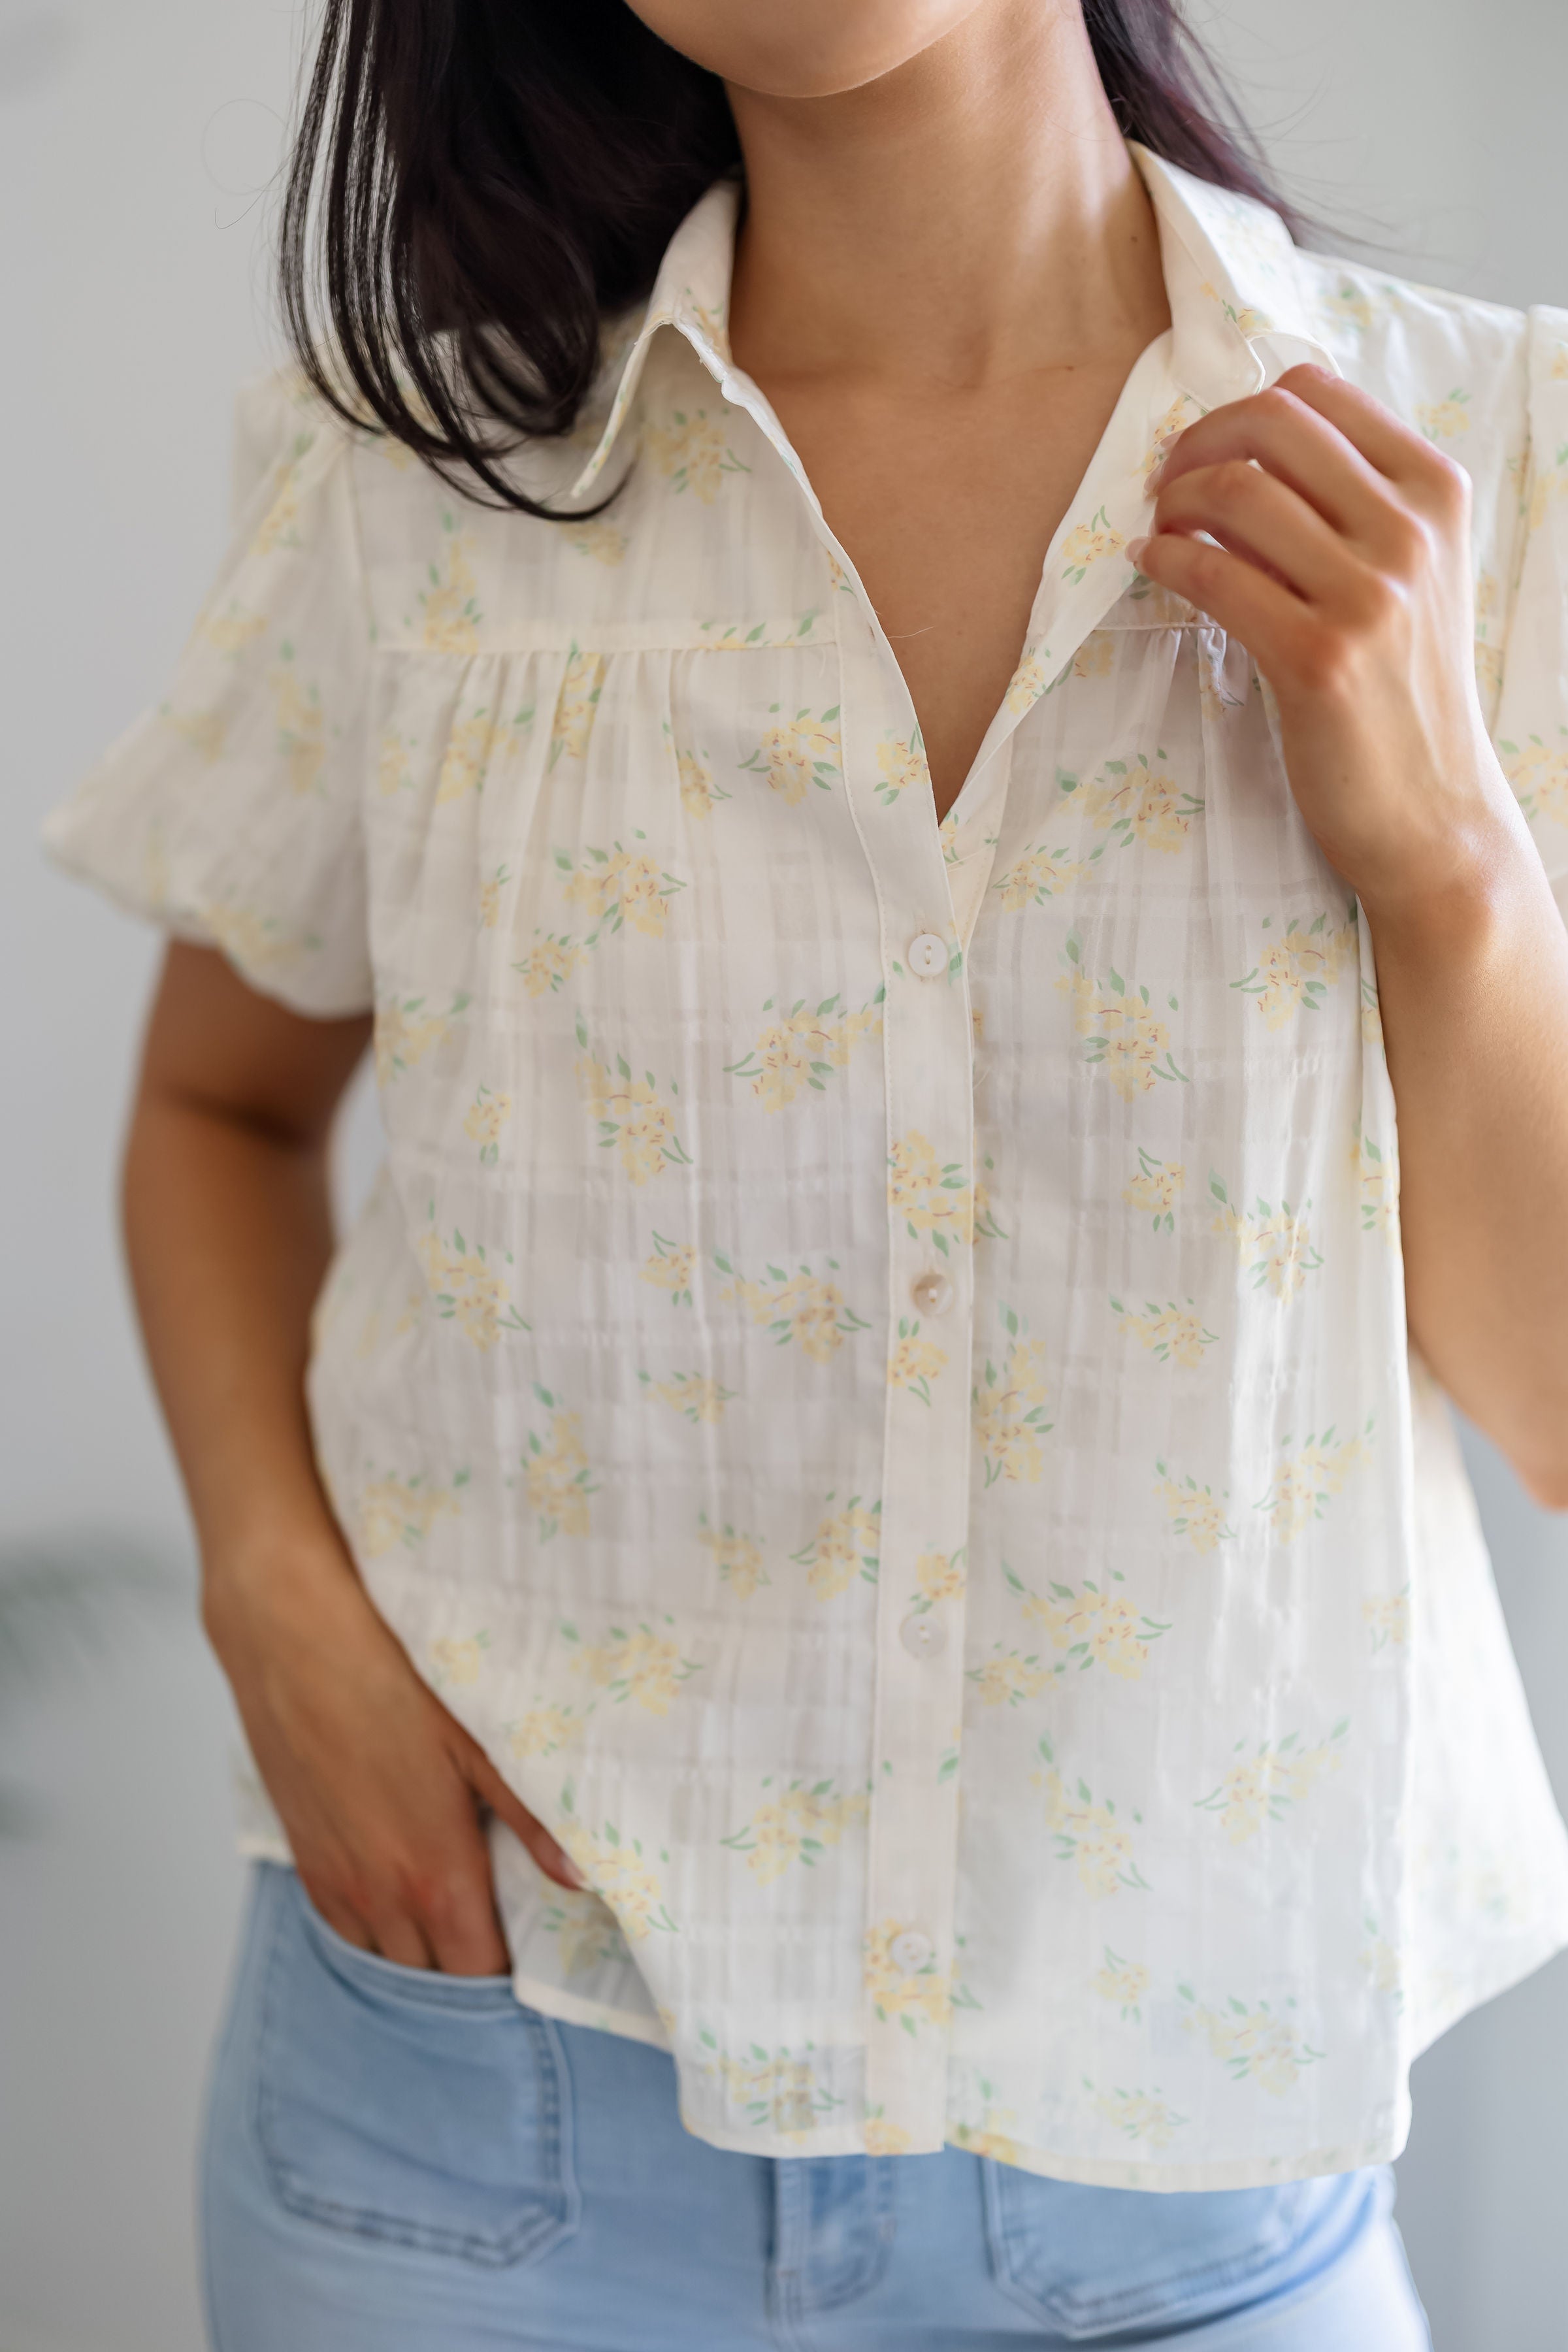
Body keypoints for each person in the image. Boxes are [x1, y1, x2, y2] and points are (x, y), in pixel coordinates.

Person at [43, 0, 1568, 2344]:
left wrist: (1453, 867)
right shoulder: (421, 486)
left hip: (1180, 2186)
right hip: (480, 2127)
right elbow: (218, 1110)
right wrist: (270, 1589)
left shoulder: (1492, 461)